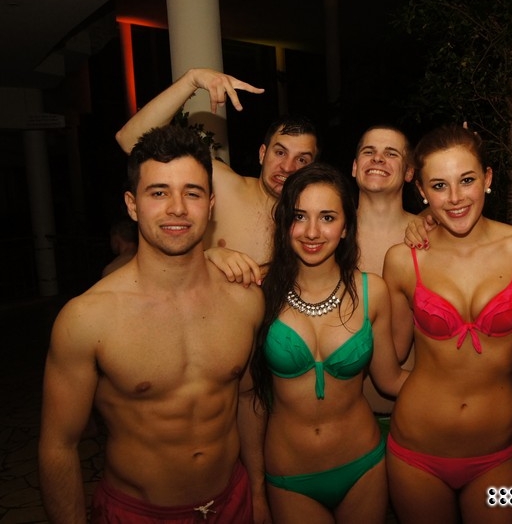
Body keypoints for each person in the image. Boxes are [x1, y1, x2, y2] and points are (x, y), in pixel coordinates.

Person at [38, 125, 265, 523]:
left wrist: (259, 494)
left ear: (211, 204)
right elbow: (59, 446)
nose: (177, 208)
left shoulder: (244, 299)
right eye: (159, 192)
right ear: (132, 204)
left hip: (233, 501)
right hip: (138, 513)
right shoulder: (87, 318)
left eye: (192, 193)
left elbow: (247, 400)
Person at [382, 124, 512, 523]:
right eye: (439, 186)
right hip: (416, 451)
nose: (455, 197)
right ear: (421, 191)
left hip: (497, 454)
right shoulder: (403, 260)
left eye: (467, 180)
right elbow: (393, 356)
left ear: (488, 178)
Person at [238, 163, 409, 523]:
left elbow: (390, 379)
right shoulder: (258, 293)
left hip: (363, 466)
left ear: (346, 227)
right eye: (299, 216)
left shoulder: (371, 292)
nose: (312, 232)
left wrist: (463, 385)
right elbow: (249, 399)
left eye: (328, 217)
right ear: (285, 223)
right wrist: (256, 488)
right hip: (289, 476)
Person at [116, 68, 319, 267]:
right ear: (262, 154)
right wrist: (191, 79)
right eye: (280, 153)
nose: (287, 167)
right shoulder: (224, 186)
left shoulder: (315, 222)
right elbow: (129, 141)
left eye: (302, 160)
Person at [352, 124, 419, 420]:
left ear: (409, 172)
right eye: (369, 152)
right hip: (343, 421)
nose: (378, 158)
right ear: (355, 167)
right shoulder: (326, 237)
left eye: (391, 153)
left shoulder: (432, 237)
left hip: (413, 416)